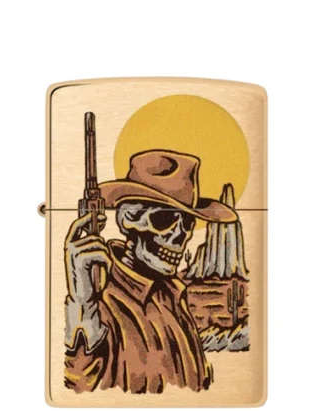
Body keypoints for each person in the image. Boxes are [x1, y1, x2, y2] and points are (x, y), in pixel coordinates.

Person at [64, 150, 237, 394]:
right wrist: (82, 301)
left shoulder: (174, 297)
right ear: (129, 219)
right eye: (164, 219)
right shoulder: (101, 299)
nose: (180, 237)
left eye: (187, 224)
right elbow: (79, 386)